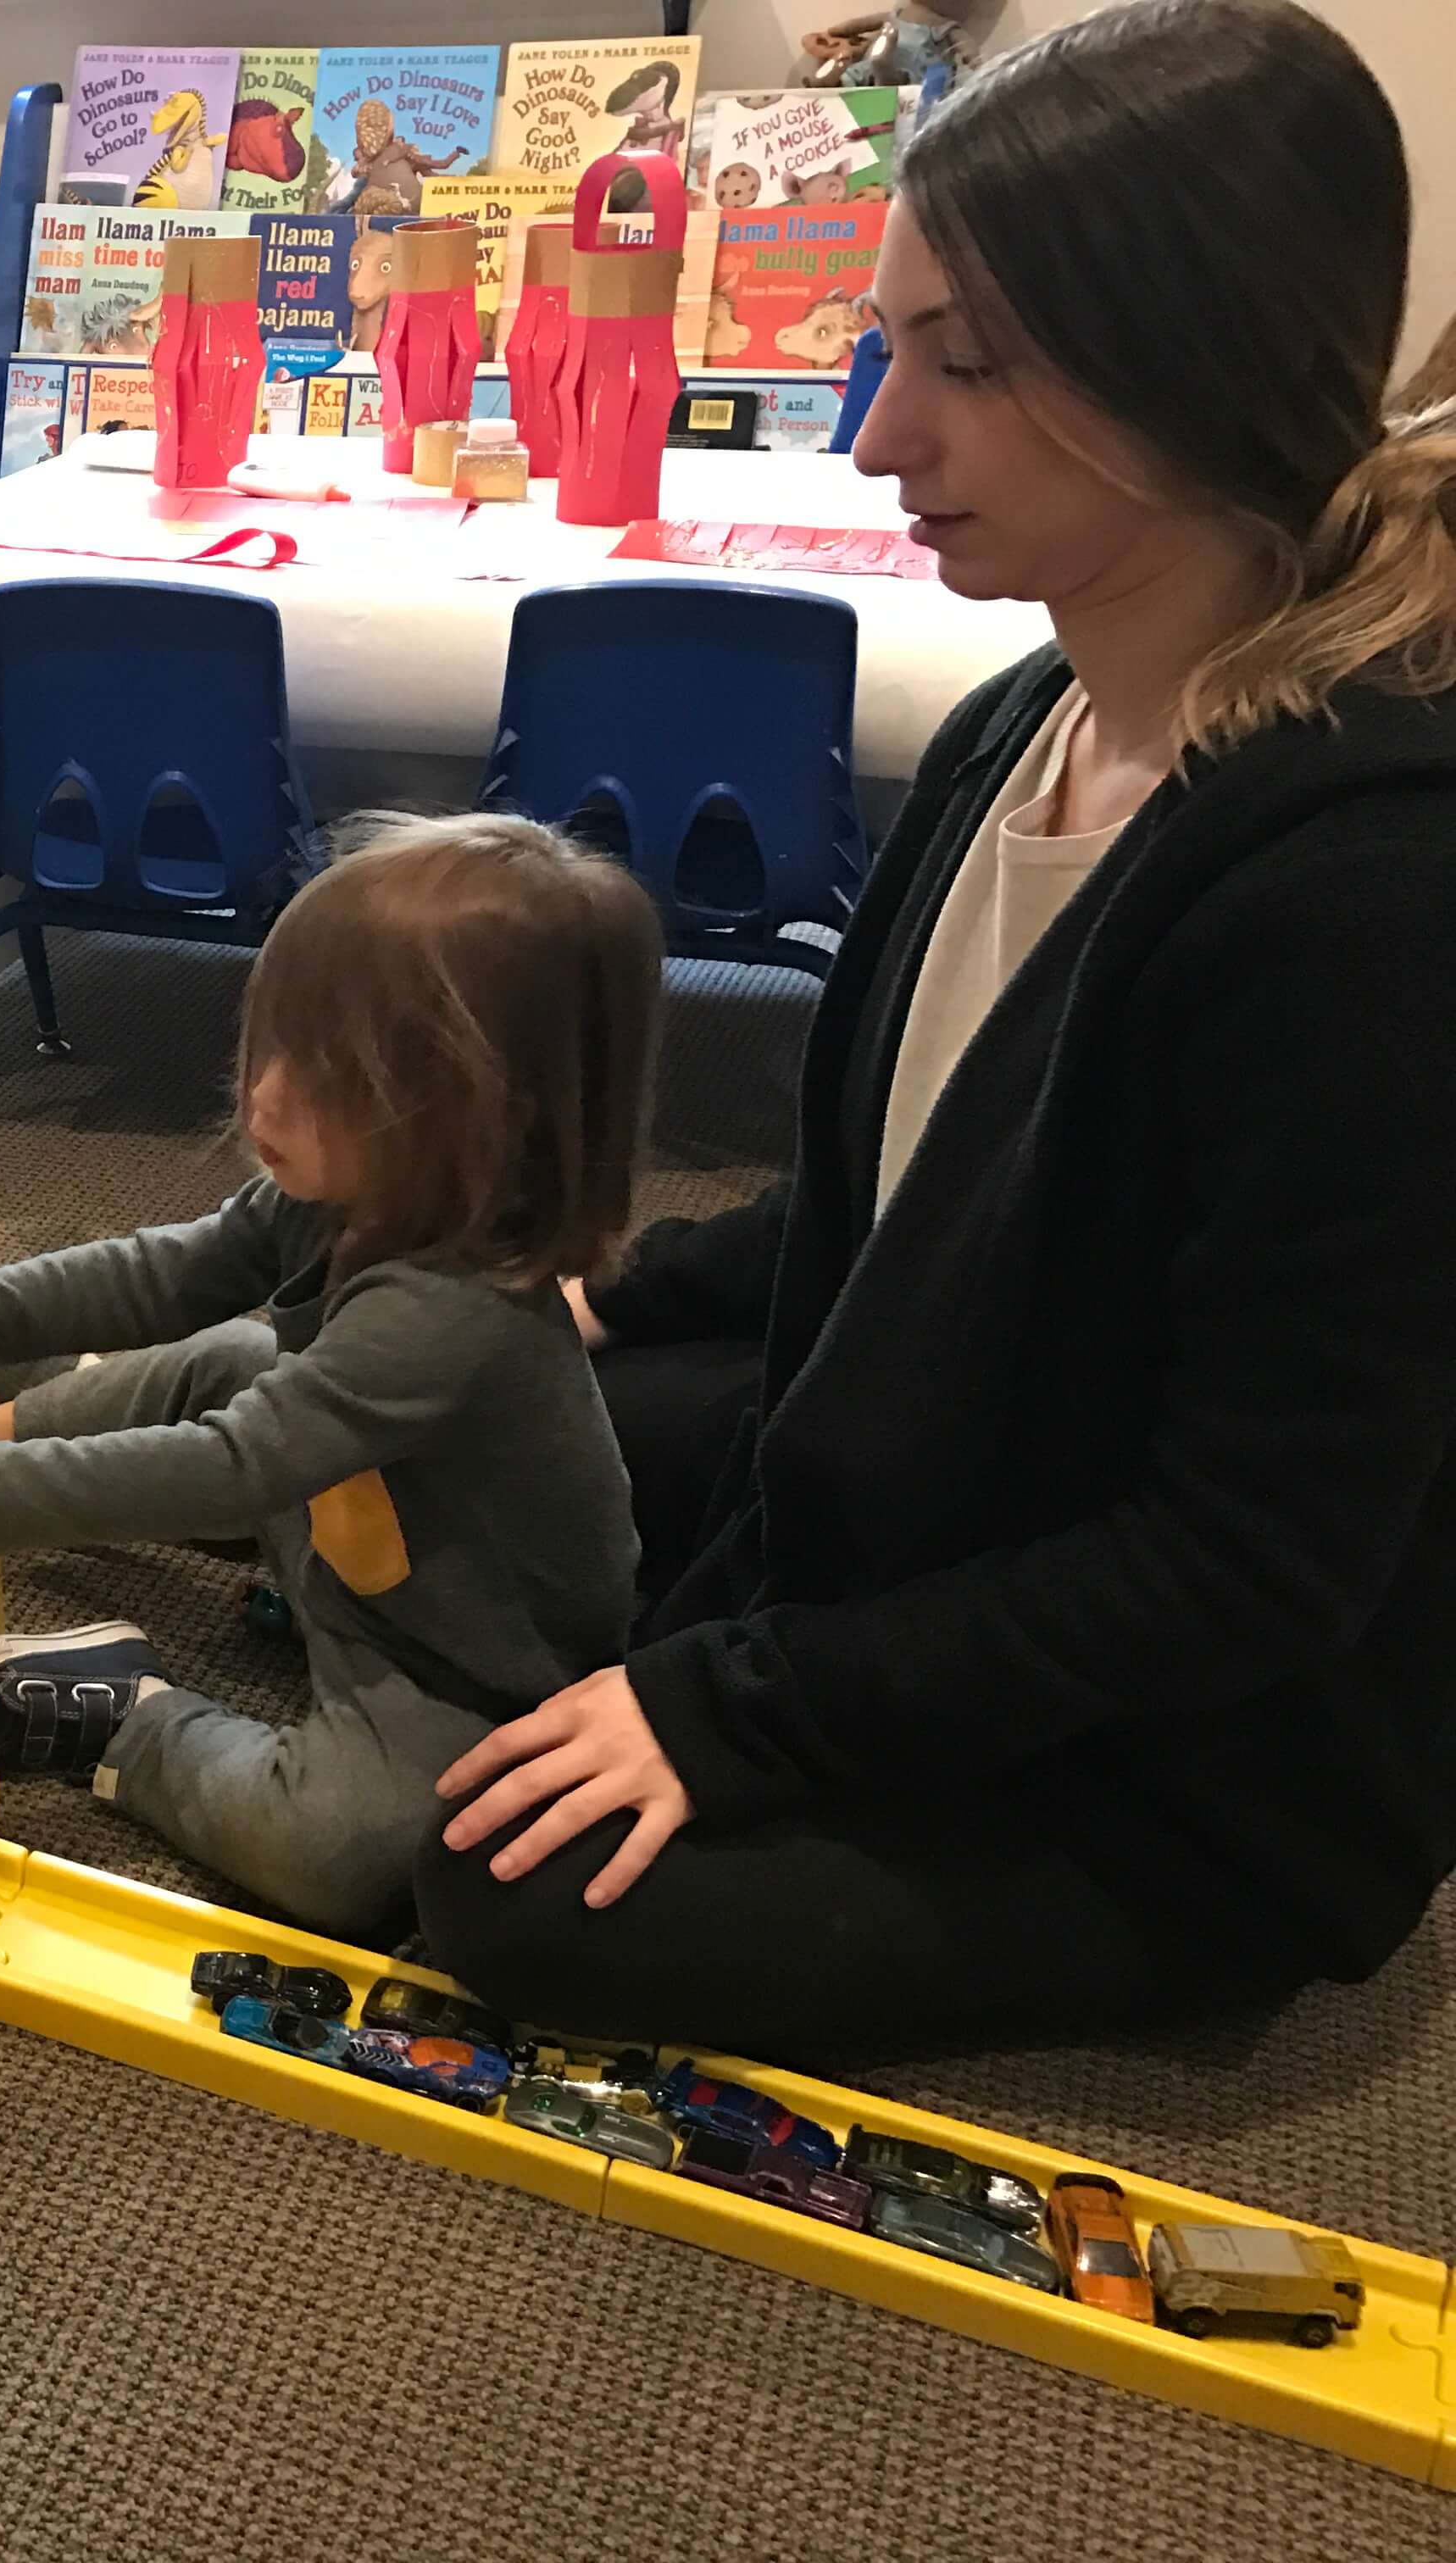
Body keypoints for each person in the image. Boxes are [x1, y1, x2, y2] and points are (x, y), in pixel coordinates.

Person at [416, 0, 1456, 2057]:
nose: (882, 434)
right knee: (457, 1400)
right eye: (891, 346)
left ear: (1191, 362)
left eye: (963, 362)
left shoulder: (1370, 888)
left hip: (1186, 1772)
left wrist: (734, 1705)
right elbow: (927, 1200)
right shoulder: (1014, 728)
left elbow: (1250, 1558)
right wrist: (606, 1294)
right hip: (957, 1479)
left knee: (493, 1875)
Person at [0, 816, 666, 1944]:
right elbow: (174, 1271)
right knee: (236, 1360)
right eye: (266, 1046)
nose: (263, 1101)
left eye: (327, 1079)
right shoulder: (355, 1188)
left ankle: (119, 1715)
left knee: (339, 1856)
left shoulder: (457, 1310)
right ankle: (3, 1427)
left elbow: (232, 1469)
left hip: (453, 1666)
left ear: (479, 1115)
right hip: (345, 1531)